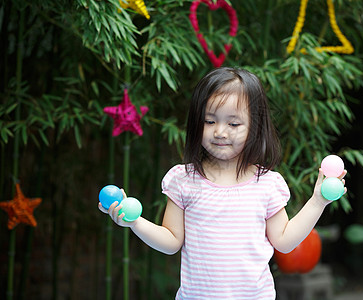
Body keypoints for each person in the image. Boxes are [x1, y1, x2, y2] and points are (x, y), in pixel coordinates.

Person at [98, 67, 346, 299]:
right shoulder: (184, 180)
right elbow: (171, 241)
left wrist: (319, 201)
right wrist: (134, 221)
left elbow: (284, 241)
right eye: (210, 121)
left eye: (234, 123)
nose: (220, 132)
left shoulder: (267, 184)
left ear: (255, 127)